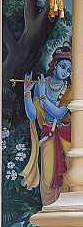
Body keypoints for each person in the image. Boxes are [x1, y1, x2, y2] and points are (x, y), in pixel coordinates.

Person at [21, 45, 72, 206]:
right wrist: (27, 93)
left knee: (67, 174)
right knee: (48, 176)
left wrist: (43, 96)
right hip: (48, 137)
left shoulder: (70, 90)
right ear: (54, 65)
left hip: (66, 138)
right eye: (63, 66)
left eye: (69, 70)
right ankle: (49, 211)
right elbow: (32, 115)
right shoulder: (42, 84)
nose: (65, 72)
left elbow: (59, 113)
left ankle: (65, 212)